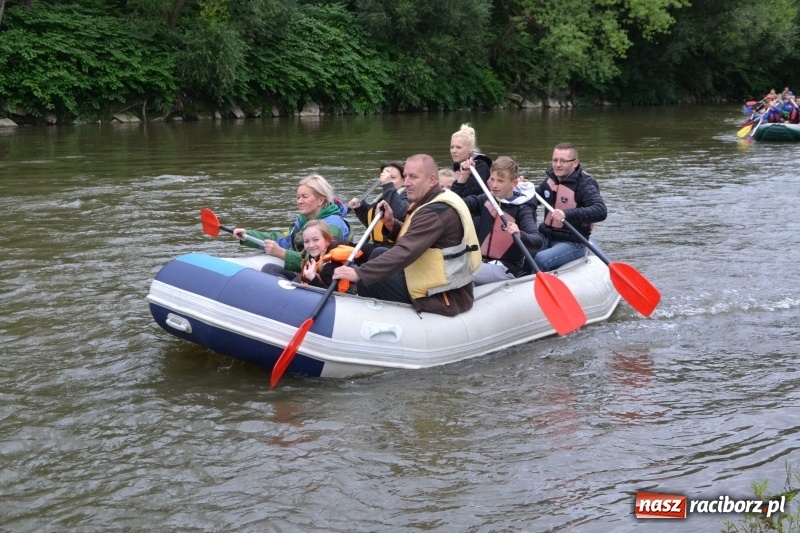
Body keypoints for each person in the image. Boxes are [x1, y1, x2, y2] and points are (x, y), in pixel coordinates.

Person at [333, 154, 481, 316]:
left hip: (445, 295)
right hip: (434, 278)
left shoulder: (436, 211)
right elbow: (418, 237)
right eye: (405, 177)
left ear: (432, 180)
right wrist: (391, 224)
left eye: (413, 177)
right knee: (378, 252)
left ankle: (371, 319)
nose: (407, 182)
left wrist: (360, 273)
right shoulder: (433, 200)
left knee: (368, 281)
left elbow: (405, 250)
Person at [233, 174, 350, 278]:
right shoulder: (303, 221)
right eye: (298, 197)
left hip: (324, 276)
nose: (299, 201)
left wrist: (281, 253)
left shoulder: (333, 225)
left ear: (320, 200)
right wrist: (248, 236)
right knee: (269, 269)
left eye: (305, 196)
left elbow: (321, 259)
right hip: (304, 269)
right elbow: (283, 241)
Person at [451, 156, 543, 285]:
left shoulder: (523, 208)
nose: (494, 185)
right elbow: (455, 203)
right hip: (481, 261)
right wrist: (463, 176)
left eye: (500, 181)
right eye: (492, 179)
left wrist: (520, 234)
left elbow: (537, 241)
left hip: (505, 269)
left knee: (458, 271)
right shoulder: (487, 199)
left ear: (514, 183)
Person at [533, 142, 607, 271]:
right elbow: (533, 199)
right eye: (555, 160)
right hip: (546, 235)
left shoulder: (585, 184)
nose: (557, 165)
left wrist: (567, 213)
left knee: (541, 259)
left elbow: (601, 210)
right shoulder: (550, 180)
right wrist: (519, 189)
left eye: (563, 161)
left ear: (575, 163)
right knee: (522, 250)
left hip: (573, 241)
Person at [347, 161, 409, 257]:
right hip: (378, 245)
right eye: (387, 177)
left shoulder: (407, 196)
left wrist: (388, 185)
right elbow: (372, 224)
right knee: (353, 249)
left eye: (393, 178)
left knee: (377, 252)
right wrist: (360, 208)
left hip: (395, 247)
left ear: (403, 180)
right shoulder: (382, 197)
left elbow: (400, 214)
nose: (389, 180)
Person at [449, 123, 492, 197]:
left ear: (471, 148)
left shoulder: (481, 166)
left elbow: (469, 193)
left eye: (458, 147)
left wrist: (463, 176)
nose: (454, 151)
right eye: (452, 147)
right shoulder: (454, 168)